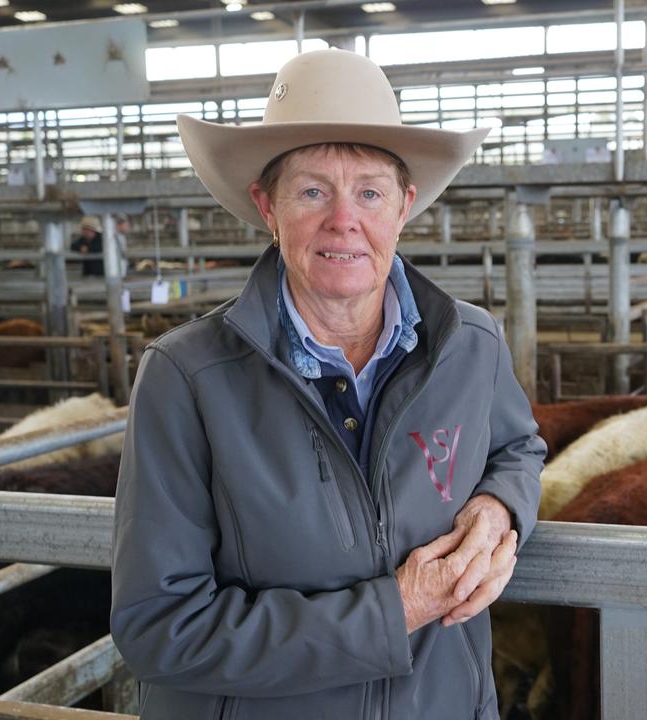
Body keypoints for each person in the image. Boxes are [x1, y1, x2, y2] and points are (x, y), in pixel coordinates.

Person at [110, 49, 545, 719]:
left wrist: (501, 510)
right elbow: (161, 626)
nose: (345, 219)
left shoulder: (469, 345)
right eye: (313, 190)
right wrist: (399, 609)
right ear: (267, 206)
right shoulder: (186, 377)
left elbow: (518, 450)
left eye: (369, 192)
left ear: (403, 207)